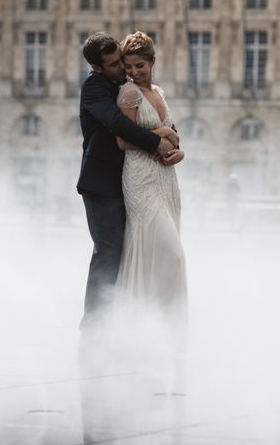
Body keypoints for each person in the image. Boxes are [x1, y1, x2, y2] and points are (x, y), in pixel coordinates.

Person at [77, 32, 180, 330]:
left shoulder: (125, 82)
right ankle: (94, 324)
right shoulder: (95, 87)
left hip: (133, 179)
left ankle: (129, 319)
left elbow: (160, 121)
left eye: (121, 61)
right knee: (109, 251)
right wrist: (157, 142)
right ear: (97, 67)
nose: (122, 68)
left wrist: (174, 143)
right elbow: (118, 125)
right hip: (102, 183)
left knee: (132, 252)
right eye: (113, 64)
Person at [113, 31, 187, 355]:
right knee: (169, 252)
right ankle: (137, 327)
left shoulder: (158, 92)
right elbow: (123, 141)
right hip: (141, 179)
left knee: (166, 257)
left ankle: (165, 330)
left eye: (139, 66)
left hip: (166, 178)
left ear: (153, 62)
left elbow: (176, 138)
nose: (133, 72)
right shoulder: (128, 94)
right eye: (129, 66)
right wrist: (160, 133)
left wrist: (179, 151)